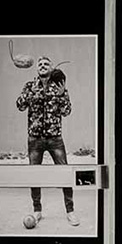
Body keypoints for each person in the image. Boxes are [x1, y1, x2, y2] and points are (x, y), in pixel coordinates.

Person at [17, 55, 79, 227]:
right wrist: (30, 94)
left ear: (51, 69)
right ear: (37, 68)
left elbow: (67, 111)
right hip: (35, 139)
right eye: (40, 64)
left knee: (64, 174)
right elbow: (20, 105)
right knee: (34, 176)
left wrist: (62, 95)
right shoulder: (29, 86)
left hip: (55, 138)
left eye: (46, 64)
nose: (43, 66)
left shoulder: (59, 86)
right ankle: (37, 211)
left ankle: (70, 211)